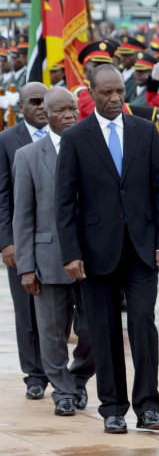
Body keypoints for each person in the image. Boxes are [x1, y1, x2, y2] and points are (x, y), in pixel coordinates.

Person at [55, 65, 159, 434]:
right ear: (91, 93)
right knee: (103, 331)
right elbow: (64, 203)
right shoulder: (77, 138)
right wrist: (71, 253)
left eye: (119, 92)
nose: (114, 99)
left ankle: (148, 406)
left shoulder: (145, 130)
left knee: (142, 324)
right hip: (95, 253)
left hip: (142, 250)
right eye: (106, 93)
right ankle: (112, 407)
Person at [12, 86, 94, 416]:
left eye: (73, 108)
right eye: (60, 110)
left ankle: (79, 379)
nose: (70, 115)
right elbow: (24, 216)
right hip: (48, 259)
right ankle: (62, 390)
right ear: (46, 115)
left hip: (92, 259)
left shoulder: (94, 149)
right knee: (52, 330)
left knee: (91, 329)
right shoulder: (29, 157)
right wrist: (26, 268)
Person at [0, 82, 49, 399]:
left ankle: (68, 370)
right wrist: (7, 242)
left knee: (70, 309)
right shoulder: (7, 140)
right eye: (35, 102)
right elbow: (2, 196)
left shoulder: (68, 135)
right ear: (21, 108)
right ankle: (35, 373)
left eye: (47, 101)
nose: (43, 107)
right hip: (23, 238)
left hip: (61, 238)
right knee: (26, 309)